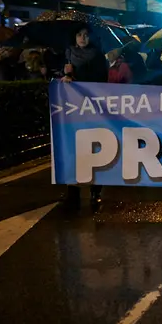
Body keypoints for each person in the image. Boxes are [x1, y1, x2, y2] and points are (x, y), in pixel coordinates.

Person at [61, 26, 109, 209]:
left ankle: (96, 190)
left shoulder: (98, 56)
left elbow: (101, 81)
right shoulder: (68, 54)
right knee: (72, 149)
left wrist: (78, 76)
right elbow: (60, 81)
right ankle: (72, 192)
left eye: (86, 35)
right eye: (79, 34)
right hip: (72, 110)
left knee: (94, 148)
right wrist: (65, 75)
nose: (82, 38)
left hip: (92, 109)